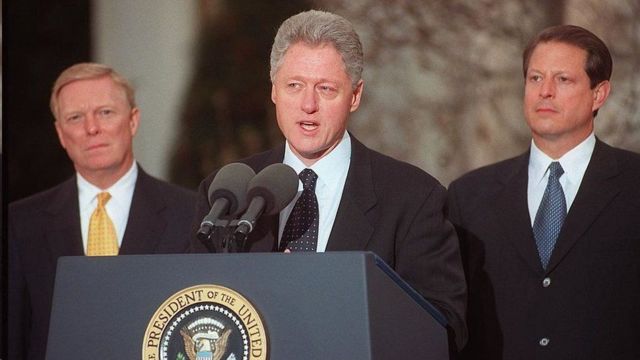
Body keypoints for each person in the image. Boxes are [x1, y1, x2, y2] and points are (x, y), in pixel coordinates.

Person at [191, 10, 467, 352]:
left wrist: (325, 296)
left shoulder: (413, 197)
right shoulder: (228, 192)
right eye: (294, 86)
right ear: (274, 90)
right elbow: (195, 304)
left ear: (355, 96)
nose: (308, 105)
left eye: (326, 89)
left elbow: (444, 325)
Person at [447, 25, 640, 359]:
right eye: (535, 78)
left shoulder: (633, 184)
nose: (545, 92)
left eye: (563, 79)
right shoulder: (469, 195)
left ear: (599, 94)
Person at [8, 63, 197, 360]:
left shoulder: (190, 213)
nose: (91, 128)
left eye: (105, 113)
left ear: (133, 121)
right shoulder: (22, 223)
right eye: (75, 117)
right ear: (60, 133)